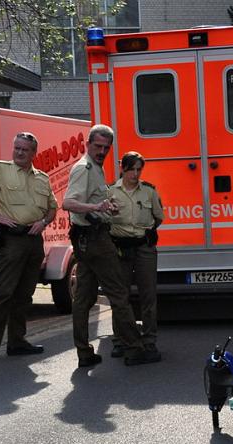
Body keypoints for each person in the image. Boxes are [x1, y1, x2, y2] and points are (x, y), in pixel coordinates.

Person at [62, 125, 161, 367]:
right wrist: (96, 208)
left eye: (106, 147)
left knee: (83, 297)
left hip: (86, 240)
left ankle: (84, 353)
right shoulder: (84, 169)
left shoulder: (95, 168)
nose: (102, 151)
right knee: (119, 294)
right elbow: (68, 203)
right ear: (88, 144)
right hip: (95, 240)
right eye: (98, 146)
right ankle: (134, 349)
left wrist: (105, 208)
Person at [0, 132, 57, 363]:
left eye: (24, 149)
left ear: (33, 153)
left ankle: (17, 342)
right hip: (12, 240)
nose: (19, 152)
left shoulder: (42, 178)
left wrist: (44, 221)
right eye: (16, 148)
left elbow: (52, 208)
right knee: (4, 293)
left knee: (24, 295)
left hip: (34, 240)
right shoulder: (0, 169)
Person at [108, 152, 165, 358]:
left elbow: (158, 217)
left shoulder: (149, 191)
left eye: (139, 169)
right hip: (121, 248)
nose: (135, 173)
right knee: (120, 295)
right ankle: (120, 340)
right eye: (131, 169)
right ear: (122, 168)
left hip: (143, 248)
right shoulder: (110, 191)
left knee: (148, 295)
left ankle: (149, 340)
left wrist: (145, 233)